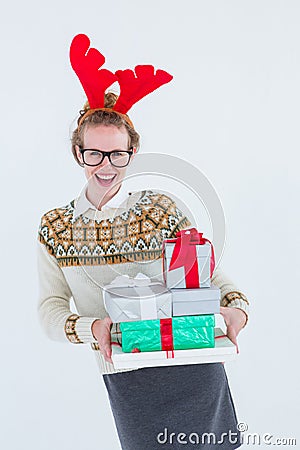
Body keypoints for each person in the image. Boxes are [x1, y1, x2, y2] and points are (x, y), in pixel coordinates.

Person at [37, 35, 249, 450]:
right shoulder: (55, 226)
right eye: (94, 153)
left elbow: (208, 270)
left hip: (193, 361)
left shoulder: (161, 208)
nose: (105, 165)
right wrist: (90, 327)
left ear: (132, 153)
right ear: (78, 153)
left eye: (116, 154)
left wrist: (237, 306)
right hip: (127, 370)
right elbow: (50, 311)